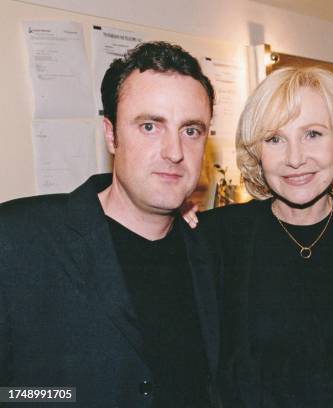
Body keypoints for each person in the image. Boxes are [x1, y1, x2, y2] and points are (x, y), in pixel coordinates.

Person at [0, 42, 220, 407]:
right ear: (111, 134)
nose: (175, 151)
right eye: (150, 126)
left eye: (191, 130)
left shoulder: (213, 250)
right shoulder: (17, 240)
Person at [192, 66, 333, 407]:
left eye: (313, 134)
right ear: (257, 153)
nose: (295, 158)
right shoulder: (217, 240)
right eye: (274, 139)